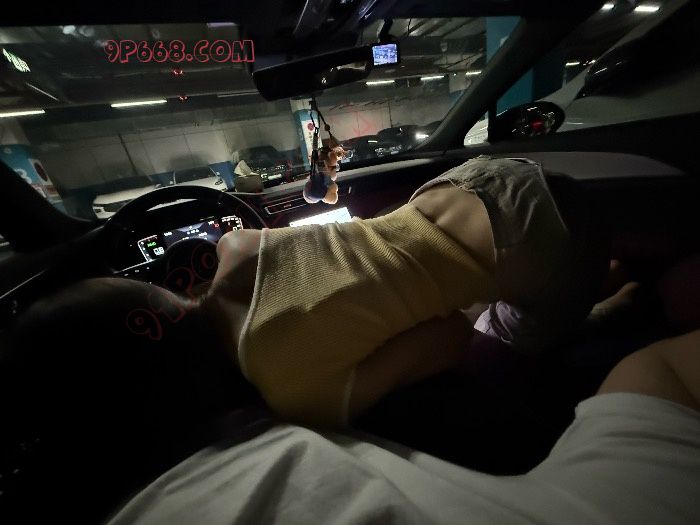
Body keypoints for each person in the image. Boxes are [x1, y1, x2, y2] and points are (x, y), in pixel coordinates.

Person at [5, 155, 609, 431]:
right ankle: (594, 284)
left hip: (538, 242)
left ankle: (610, 302)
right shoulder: (238, 247)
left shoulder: (302, 398)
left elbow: (451, 337)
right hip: (472, 182)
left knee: (507, 334)